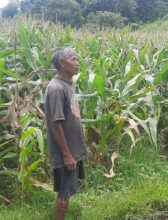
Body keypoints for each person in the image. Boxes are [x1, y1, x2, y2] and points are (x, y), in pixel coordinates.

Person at [44, 47, 87, 220]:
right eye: (73, 59)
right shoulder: (56, 89)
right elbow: (55, 125)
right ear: (62, 63)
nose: (77, 63)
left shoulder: (66, 85)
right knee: (64, 195)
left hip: (73, 150)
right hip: (66, 154)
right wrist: (68, 155)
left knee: (66, 192)